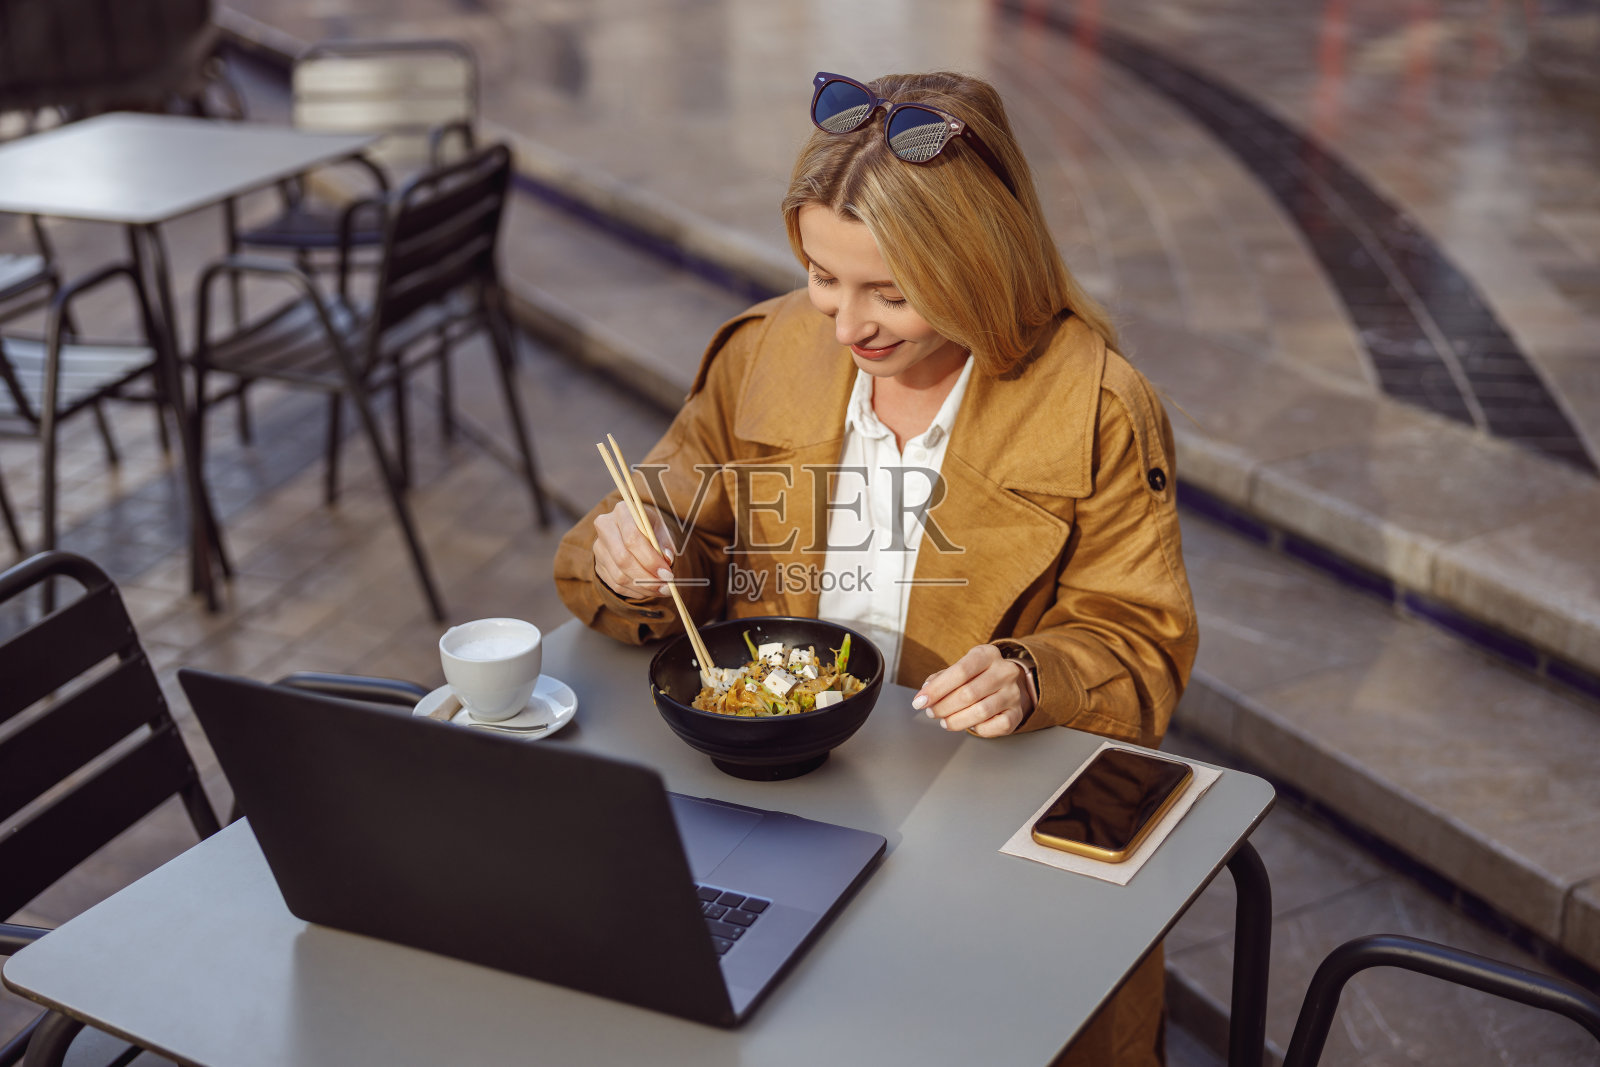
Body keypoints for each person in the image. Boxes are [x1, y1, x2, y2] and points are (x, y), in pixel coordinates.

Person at [555, 70, 1196, 1066]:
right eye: (820, 273)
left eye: (891, 291)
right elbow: (651, 517)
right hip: (774, 803)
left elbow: (1140, 643)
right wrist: (639, 554)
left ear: (981, 260)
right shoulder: (767, 349)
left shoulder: (1096, 404)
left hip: (976, 836)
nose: (846, 323)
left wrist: (1034, 673)